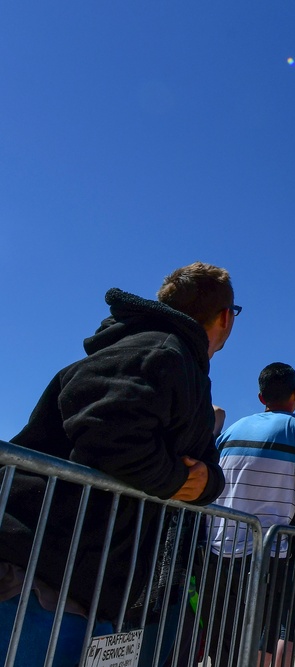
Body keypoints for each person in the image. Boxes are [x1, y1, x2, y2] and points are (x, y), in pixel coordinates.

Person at [0, 262, 235, 666]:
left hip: (91, 583)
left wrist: (207, 482)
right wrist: (177, 478)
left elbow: (203, 461)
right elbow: (107, 431)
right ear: (227, 317)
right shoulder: (158, 350)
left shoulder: (177, 359)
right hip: (42, 576)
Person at [206, 362, 295, 667]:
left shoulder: (234, 428)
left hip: (216, 545)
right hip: (266, 549)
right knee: (262, 639)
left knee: (224, 641)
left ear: (261, 398)